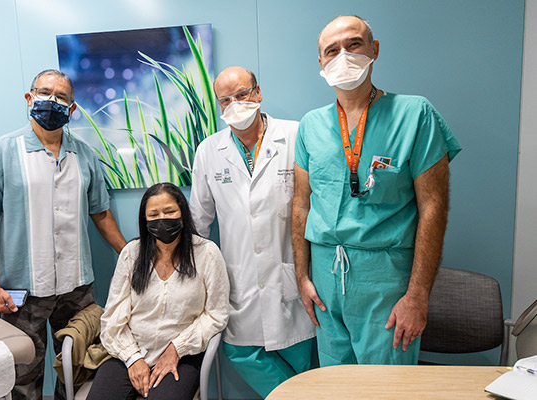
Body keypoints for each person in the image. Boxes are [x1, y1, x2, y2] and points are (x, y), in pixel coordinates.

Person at [292, 15, 462, 367]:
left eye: (354, 44)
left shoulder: (415, 114)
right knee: (334, 384)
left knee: (386, 387)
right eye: (332, 50)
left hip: (385, 280)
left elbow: (434, 206)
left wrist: (417, 295)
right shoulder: (311, 125)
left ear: (375, 50)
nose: (343, 56)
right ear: (321, 63)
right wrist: (302, 276)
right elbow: (300, 205)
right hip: (325, 278)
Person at [0, 69, 127, 399]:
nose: (52, 101)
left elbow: (101, 212)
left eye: (62, 97)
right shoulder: (1, 153)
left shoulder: (85, 156)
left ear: (73, 108)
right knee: (22, 377)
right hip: (21, 293)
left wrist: (132, 255)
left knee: (79, 370)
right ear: (29, 98)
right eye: (44, 92)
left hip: (77, 289)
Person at [189, 66, 315, 398]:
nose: (234, 104)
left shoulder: (295, 135)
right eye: (224, 100)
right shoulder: (209, 150)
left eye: (241, 95)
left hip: (291, 271)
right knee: (240, 350)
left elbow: (317, 202)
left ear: (257, 93)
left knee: (301, 358)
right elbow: (199, 224)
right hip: (239, 276)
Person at [87, 183, 229, 400]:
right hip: (129, 351)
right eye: (153, 214)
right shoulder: (131, 254)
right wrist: (133, 358)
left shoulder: (207, 254)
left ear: (183, 212)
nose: (162, 219)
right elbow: (113, 317)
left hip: (182, 357)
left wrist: (176, 348)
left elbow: (216, 315)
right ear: (145, 220)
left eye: (170, 211)